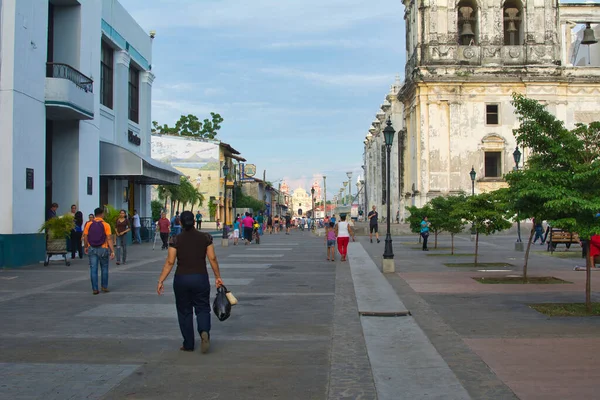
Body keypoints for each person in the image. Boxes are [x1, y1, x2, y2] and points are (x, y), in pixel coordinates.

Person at [157, 211, 224, 353]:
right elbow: (212, 258)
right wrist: (218, 276)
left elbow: (170, 262)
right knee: (202, 307)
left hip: (181, 279)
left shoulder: (175, 239)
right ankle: (204, 331)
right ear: (194, 222)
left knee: (184, 311)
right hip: (200, 278)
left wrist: (161, 280)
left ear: (180, 222)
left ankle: (188, 344)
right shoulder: (205, 237)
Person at [83, 207, 115, 295]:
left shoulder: (88, 224)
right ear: (102, 214)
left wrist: (86, 246)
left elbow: (85, 236)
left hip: (92, 248)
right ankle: (104, 286)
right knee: (104, 268)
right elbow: (109, 238)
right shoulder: (106, 225)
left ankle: (95, 289)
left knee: (93, 268)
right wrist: (112, 250)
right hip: (103, 248)